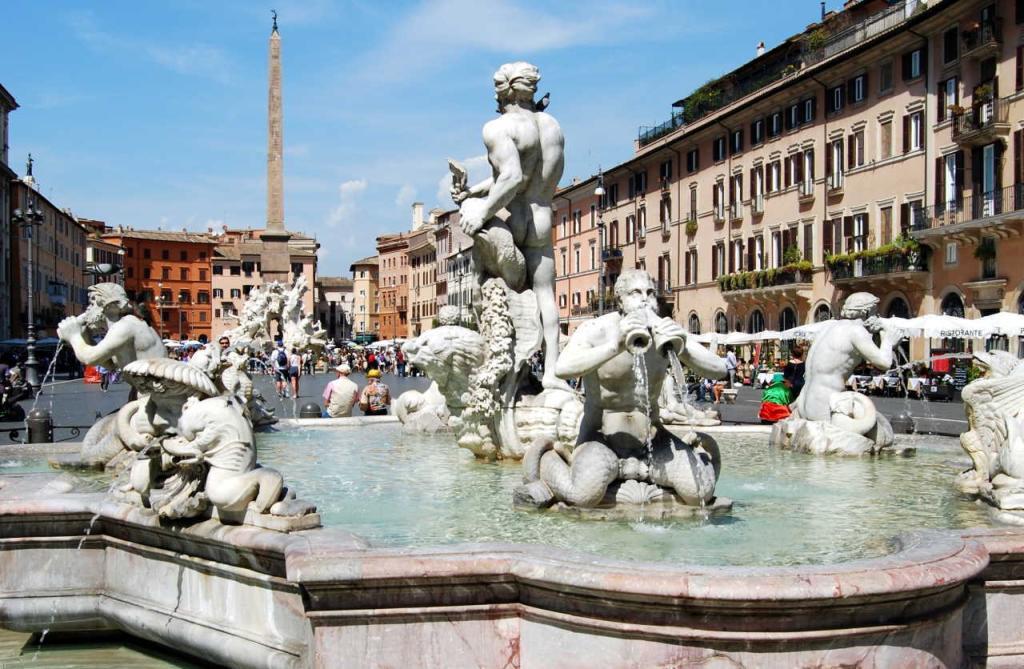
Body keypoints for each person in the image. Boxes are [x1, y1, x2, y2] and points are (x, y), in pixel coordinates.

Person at [452, 62, 567, 391]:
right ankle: (552, 373)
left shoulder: (498, 127)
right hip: (543, 214)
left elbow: (512, 177)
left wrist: (481, 208)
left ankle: (496, 360)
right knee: (546, 295)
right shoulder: (552, 126)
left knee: (483, 280)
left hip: (515, 216)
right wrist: (473, 189)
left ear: (501, 91)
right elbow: (524, 176)